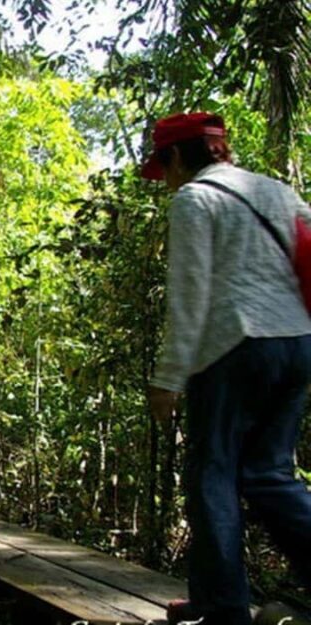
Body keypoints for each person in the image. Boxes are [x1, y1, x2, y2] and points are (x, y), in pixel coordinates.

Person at [142, 112, 311, 625]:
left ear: (176, 156)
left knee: (211, 473)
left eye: (163, 165)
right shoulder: (278, 191)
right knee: (269, 473)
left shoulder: (195, 199)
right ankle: (217, 599)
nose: (165, 178)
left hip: (237, 346)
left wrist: (168, 377)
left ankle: (222, 608)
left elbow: (190, 296)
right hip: (299, 342)